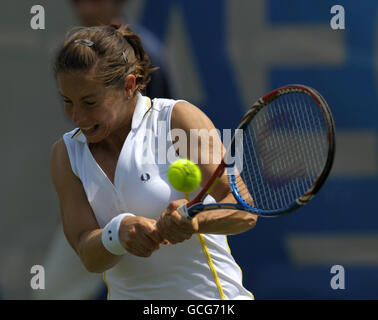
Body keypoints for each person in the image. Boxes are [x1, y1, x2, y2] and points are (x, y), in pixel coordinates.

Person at [50, 24, 257, 300]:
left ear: (128, 86)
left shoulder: (177, 120)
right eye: (68, 101)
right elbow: (88, 254)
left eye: (89, 102)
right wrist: (117, 232)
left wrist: (197, 221)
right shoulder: (65, 154)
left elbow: (245, 210)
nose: (77, 116)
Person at [69, 0, 176, 99]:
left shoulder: (147, 52)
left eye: (96, 1)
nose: (86, 9)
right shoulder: (72, 51)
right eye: (77, 1)